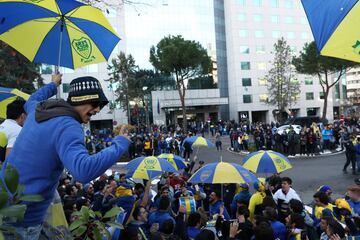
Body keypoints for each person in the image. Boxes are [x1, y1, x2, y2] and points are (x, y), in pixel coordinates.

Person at [4, 75, 131, 238]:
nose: (98, 109)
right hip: (24, 219)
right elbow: (83, 171)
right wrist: (119, 143)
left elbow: (32, 99)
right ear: (80, 100)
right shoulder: (69, 126)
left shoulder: (38, 109)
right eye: (95, 104)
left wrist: (53, 84)